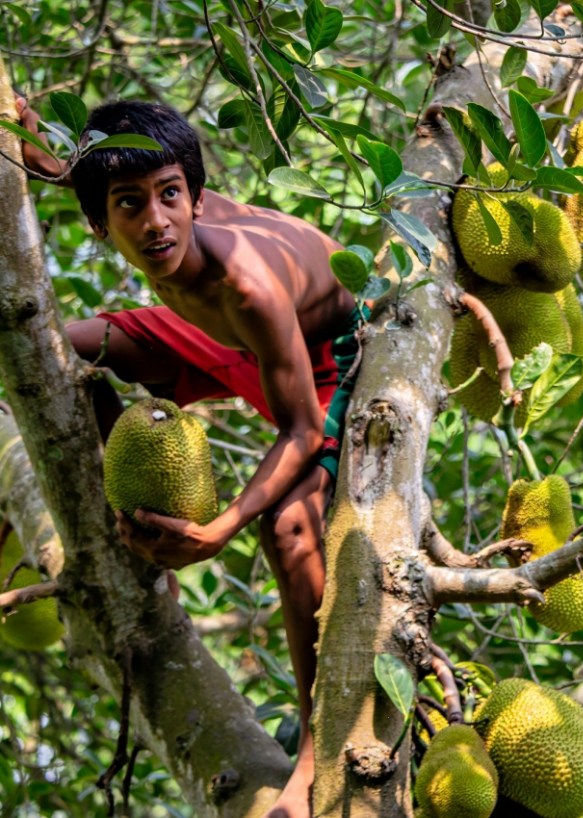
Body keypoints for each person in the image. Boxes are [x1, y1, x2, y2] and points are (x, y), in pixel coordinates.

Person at [16, 96, 366, 818]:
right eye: (129, 205)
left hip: (325, 362)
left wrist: (222, 525)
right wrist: (31, 141)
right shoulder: (131, 203)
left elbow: (301, 428)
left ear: (197, 196)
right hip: (220, 341)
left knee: (290, 531)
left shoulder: (248, 282)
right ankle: (139, 536)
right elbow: (76, 163)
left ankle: (313, 752)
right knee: (50, 351)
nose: (156, 222)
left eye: (171, 197)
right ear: (98, 218)